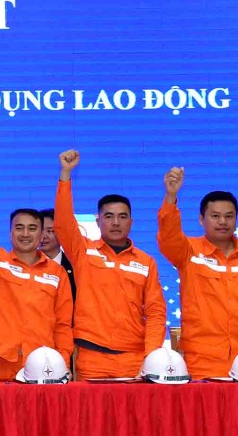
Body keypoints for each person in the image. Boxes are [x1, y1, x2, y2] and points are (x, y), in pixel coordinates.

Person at [55, 150, 167, 379]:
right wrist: (65, 175)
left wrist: (151, 356)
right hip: (93, 359)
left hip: (135, 359)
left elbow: (156, 312)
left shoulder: (146, 262)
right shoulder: (83, 251)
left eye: (122, 216)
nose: (116, 222)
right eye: (109, 216)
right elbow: (63, 223)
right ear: (98, 221)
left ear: (131, 222)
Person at [156, 167, 238, 379]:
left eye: (229, 216)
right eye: (215, 216)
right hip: (203, 359)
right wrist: (171, 196)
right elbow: (168, 237)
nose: (222, 222)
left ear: (236, 219)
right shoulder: (188, 251)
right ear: (201, 219)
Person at [0, 169, 73, 380]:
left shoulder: (57, 273)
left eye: (32, 228)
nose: (25, 234)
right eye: (19, 228)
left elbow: (63, 325)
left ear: (42, 234)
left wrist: (62, 364)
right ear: (10, 233)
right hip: (2, 362)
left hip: (44, 365)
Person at [38, 209, 76, 302]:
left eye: (50, 231)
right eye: (40, 231)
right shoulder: (26, 265)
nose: (44, 236)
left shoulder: (75, 267)